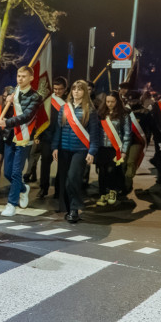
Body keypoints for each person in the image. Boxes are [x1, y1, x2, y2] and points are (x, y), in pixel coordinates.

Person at [53, 80, 100, 223]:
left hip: (80, 150)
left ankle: (74, 209)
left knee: (72, 178)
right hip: (64, 150)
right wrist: (55, 147)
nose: (76, 92)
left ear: (85, 92)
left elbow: (94, 134)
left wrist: (92, 151)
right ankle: (68, 208)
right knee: (63, 181)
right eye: (74, 89)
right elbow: (58, 129)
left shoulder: (90, 110)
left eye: (80, 89)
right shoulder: (64, 108)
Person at [0, 66, 42, 216]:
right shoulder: (12, 93)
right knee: (7, 173)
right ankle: (23, 188)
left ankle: (11, 204)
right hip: (10, 136)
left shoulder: (35, 97)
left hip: (25, 137)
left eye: (24, 76)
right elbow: (6, 112)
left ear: (31, 78)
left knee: (16, 172)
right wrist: (7, 102)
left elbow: (26, 116)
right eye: (18, 76)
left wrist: (7, 122)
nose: (20, 79)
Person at [31, 77, 67, 199]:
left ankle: (58, 190)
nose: (57, 91)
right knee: (45, 163)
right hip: (48, 137)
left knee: (62, 165)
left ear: (65, 89)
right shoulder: (48, 101)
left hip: (63, 138)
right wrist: (38, 134)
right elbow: (41, 118)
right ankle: (43, 188)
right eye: (55, 89)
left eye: (60, 89)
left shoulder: (68, 102)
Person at [95, 91, 131, 206]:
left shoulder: (123, 114)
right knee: (102, 172)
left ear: (117, 102)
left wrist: (124, 151)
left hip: (116, 148)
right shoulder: (100, 113)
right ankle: (102, 194)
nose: (109, 104)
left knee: (112, 170)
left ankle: (112, 192)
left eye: (112, 102)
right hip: (102, 148)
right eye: (107, 101)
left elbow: (127, 134)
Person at [124, 92, 154, 194]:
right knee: (123, 163)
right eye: (130, 100)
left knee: (131, 162)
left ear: (139, 99)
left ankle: (127, 185)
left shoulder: (145, 112)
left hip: (137, 141)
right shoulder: (124, 111)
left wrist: (148, 140)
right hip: (124, 141)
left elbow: (150, 127)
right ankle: (122, 183)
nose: (132, 102)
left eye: (134, 100)